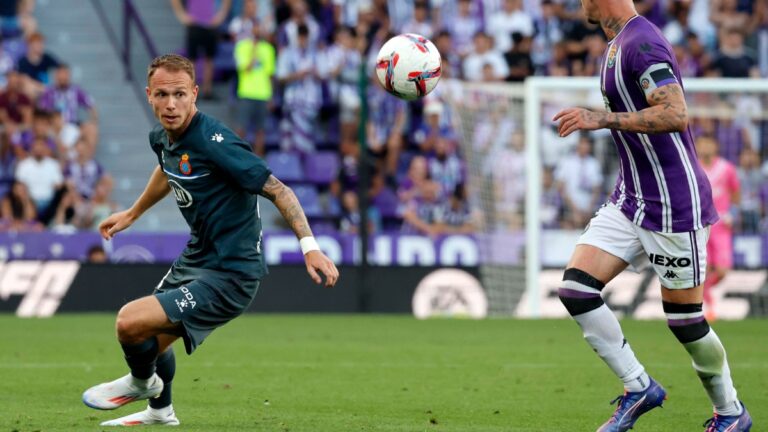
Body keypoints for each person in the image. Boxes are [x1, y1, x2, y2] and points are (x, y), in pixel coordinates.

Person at [81, 54, 339, 426]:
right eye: (163, 94)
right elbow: (167, 167)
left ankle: (141, 383)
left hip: (231, 274)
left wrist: (310, 247)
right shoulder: (163, 136)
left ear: (195, 94)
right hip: (197, 258)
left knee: (128, 323)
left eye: (180, 94)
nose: (171, 104)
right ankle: (160, 411)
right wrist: (132, 214)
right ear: (149, 95)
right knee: (148, 339)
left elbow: (279, 190)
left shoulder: (215, 141)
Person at [551, 1, 752, 431]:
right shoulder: (615, 43)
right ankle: (638, 386)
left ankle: (731, 413)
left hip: (673, 204)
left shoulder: (641, 42)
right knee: (576, 289)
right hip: (631, 198)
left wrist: (600, 118)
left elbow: (676, 113)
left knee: (685, 322)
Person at [696, 135, 740, 321]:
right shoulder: (693, 167)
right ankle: (708, 305)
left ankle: (703, 294)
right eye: (701, 143)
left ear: (716, 146)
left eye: (709, 143)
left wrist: (734, 212)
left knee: (722, 270)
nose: (705, 146)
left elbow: (736, 192)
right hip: (700, 224)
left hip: (721, 225)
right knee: (703, 269)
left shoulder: (726, 168)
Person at [170, 0, 231, 99]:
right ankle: (191, 91)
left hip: (210, 25)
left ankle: (207, 91)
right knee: (192, 59)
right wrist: (182, 15)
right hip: (194, 24)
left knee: (209, 59)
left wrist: (221, 16)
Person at [233, 20, 275, 156]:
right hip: (246, 93)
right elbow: (246, 68)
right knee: (241, 129)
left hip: (263, 94)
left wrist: (271, 96)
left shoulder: (269, 49)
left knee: (261, 131)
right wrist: (254, 51)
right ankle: (237, 159)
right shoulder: (241, 47)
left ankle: (258, 163)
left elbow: (269, 75)